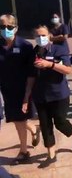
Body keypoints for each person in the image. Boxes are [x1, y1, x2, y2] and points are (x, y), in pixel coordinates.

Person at [30, 25, 72, 168]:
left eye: (43, 35)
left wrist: (50, 64)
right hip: (40, 95)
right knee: (45, 125)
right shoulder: (33, 53)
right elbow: (30, 76)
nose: (40, 38)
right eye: (37, 36)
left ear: (49, 36)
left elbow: (68, 69)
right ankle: (51, 155)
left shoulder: (58, 50)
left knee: (60, 122)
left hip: (59, 94)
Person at [0, 14, 40, 165]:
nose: (5, 30)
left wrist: (27, 95)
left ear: (15, 28)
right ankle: (34, 129)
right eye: (2, 27)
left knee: (19, 119)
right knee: (17, 119)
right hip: (7, 90)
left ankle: (24, 151)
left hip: (23, 90)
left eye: (9, 27)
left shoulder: (25, 46)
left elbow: (31, 73)